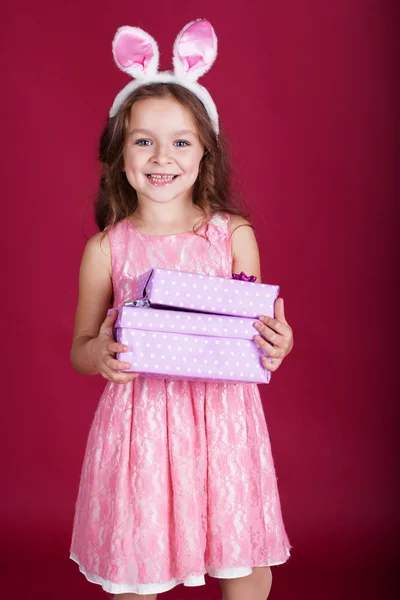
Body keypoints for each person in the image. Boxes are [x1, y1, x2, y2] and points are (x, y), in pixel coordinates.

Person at [69, 19, 294, 600]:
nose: (161, 156)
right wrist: (101, 352)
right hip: (142, 425)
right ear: (119, 155)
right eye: (143, 140)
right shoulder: (107, 249)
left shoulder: (232, 236)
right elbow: (80, 350)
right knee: (137, 565)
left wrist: (276, 340)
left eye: (181, 141)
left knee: (242, 561)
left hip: (223, 425)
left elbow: (254, 333)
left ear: (205, 154)